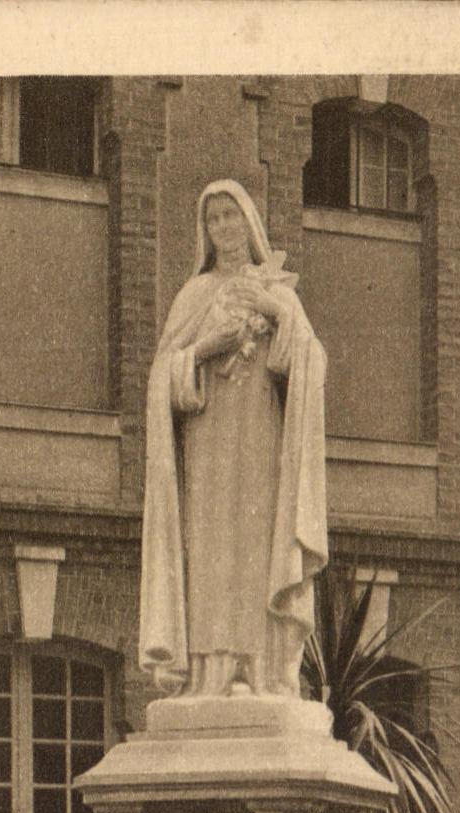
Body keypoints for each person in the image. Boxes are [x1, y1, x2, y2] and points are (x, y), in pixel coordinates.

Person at [140, 179, 328, 699]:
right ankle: (212, 672)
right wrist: (204, 349)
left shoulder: (279, 290)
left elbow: (311, 366)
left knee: (256, 546)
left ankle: (261, 667)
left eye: (230, 215)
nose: (223, 227)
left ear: (250, 222)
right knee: (211, 551)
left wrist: (273, 313)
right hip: (208, 446)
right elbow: (161, 381)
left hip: (262, 439)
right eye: (213, 219)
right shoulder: (194, 295)